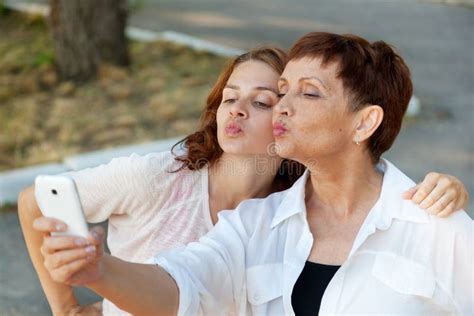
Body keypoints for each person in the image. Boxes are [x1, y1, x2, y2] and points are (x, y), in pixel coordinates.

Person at [28, 36, 472, 315]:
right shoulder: (254, 226)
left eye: (308, 93)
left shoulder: (435, 225)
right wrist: (98, 270)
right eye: (281, 93)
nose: (282, 106)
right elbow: (183, 287)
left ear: (364, 123)